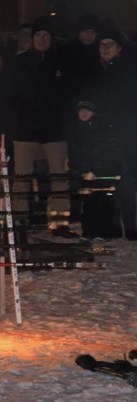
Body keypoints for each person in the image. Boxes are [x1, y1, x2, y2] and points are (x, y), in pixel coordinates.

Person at [12, 17, 73, 236]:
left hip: (55, 130)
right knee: (22, 180)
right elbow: (12, 95)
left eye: (46, 35)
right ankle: (19, 221)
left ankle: (60, 222)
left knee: (58, 179)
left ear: (52, 38)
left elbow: (69, 94)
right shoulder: (20, 62)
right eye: (38, 35)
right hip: (25, 130)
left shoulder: (61, 62)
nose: (42, 39)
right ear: (32, 38)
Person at [81, 28, 136, 239]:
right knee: (107, 183)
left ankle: (130, 226)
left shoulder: (128, 71)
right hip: (101, 136)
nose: (105, 49)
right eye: (102, 45)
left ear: (119, 49)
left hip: (123, 134)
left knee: (125, 183)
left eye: (110, 45)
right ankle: (112, 226)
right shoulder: (95, 71)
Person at [70, 100, 123, 241]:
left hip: (102, 173)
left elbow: (109, 152)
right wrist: (78, 170)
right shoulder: (76, 130)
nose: (84, 113)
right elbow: (75, 153)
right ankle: (88, 232)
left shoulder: (103, 129)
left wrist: (97, 171)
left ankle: (103, 233)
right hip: (85, 173)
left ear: (93, 113)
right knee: (88, 203)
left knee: (103, 202)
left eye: (87, 110)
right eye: (81, 110)